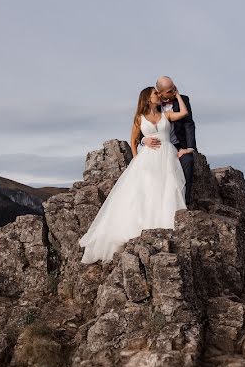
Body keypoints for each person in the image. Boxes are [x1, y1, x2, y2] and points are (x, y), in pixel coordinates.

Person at [79, 86, 188, 264]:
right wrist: (137, 157)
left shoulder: (166, 114)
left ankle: (165, 225)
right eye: (155, 94)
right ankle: (143, 226)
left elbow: (183, 112)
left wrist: (176, 95)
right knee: (146, 191)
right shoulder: (140, 118)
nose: (158, 96)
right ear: (147, 98)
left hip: (167, 156)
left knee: (167, 188)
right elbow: (133, 140)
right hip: (148, 158)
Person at [142, 76, 197, 207]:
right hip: (158, 146)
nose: (173, 92)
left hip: (179, 145)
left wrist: (189, 148)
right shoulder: (153, 104)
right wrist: (144, 140)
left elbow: (189, 124)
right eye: (169, 91)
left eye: (174, 88)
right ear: (159, 93)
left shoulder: (183, 99)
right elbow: (141, 127)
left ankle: (185, 201)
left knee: (188, 161)